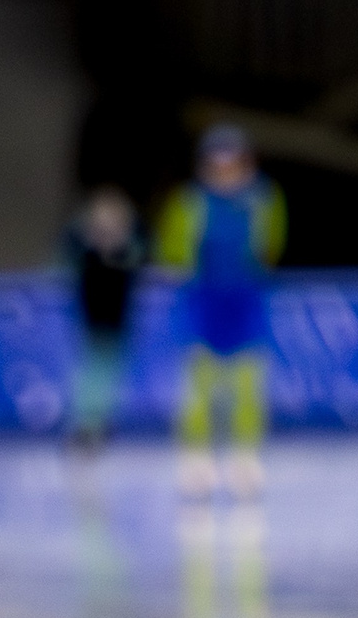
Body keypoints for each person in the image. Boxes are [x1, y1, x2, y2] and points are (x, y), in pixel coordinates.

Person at [157, 124, 285, 498]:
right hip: (202, 304)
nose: (225, 173)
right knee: (199, 386)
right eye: (217, 165)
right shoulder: (189, 202)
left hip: (246, 303)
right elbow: (172, 250)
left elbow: (271, 245)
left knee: (247, 386)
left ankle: (245, 460)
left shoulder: (264, 199)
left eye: (232, 165)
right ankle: (196, 462)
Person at [64, 185, 143, 452]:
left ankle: (100, 421)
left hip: (117, 324)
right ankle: (87, 423)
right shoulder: (87, 256)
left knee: (110, 372)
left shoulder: (127, 256)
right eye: (101, 226)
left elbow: (137, 258)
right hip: (94, 325)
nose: (107, 232)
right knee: (94, 372)